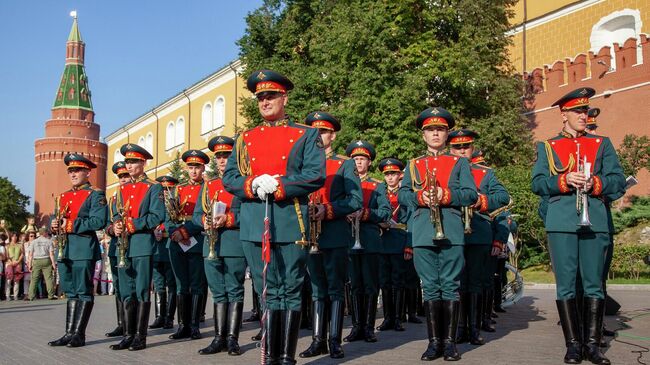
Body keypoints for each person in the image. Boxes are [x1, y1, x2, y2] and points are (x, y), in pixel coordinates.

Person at [223, 69, 325, 365]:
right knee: (266, 289)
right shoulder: (245, 138)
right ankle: (270, 357)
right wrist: (250, 184)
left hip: (291, 220)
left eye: (271, 96)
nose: (265, 101)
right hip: (255, 223)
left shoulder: (306, 135)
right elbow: (230, 176)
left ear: (284, 98)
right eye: (261, 97)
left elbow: (315, 174)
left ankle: (285, 357)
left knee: (290, 289)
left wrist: (282, 185)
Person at [532, 87, 625, 365]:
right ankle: (573, 345)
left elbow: (617, 182)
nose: (583, 115)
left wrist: (595, 184)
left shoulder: (602, 143)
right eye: (577, 111)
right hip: (561, 221)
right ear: (564, 114)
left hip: (594, 221)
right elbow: (537, 183)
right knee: (566, 286)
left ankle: (593, 346)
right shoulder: (547, 147)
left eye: (585, 110)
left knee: (594, 285)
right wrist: (563, 181)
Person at [399, 107, 477, 361]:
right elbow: (403, 195)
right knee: (430, 287)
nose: (435, 134)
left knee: (450, 286)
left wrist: (447, 195)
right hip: (422, 230)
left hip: (452, 229)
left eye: (440, 130)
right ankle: (434, 343)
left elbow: (471, 195)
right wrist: (421, 196)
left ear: (446, 134)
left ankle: (450, 343)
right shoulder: (413, 165)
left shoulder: (459, 163)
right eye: (431, 130)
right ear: (423, 135)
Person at [299, 112, 362, 359]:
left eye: (323, 131)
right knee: (316, 288)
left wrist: (329, 209)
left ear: (332, 135)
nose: (318, 136)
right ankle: (318, 340)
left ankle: (334, 340)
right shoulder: (302, 164)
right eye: (313, 131)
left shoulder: (344, 164)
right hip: (309, 235)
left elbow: (355, 199)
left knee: (335, 288)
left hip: (334, 232)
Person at [448, 129, 510, 345]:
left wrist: (481, 201)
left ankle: (473, 328)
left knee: (475, 283)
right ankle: (458, 328)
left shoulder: (485, 173)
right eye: (457, 147)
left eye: (466, 146)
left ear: (472, 148)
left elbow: (503, 197)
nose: (462, 150)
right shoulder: (444, 170)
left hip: (478, 232)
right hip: (451, 232)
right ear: (450, 149)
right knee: (455, 283)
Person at [48, 153, 108, 348]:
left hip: (83, 248)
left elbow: (98, 221)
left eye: (77, 170)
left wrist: (70, 225)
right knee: (70, 291)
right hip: (65, 249)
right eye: (71, 171)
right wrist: (54, 224)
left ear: (87, 172)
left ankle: (79, 334)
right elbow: (57, 219)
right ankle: (69, 332)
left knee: (83, 291)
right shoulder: (64, 196)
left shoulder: (95, 194)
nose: (73, 174)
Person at [194, 135, 247, 356]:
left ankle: (232, 339)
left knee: (234, 290)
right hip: (211, 244)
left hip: (233, 242)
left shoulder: (242, 182)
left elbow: (248, 214)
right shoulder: (209, 186)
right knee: (217, 291)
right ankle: (218, 338)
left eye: (226, 155)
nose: (222, 160)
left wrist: (229, 219)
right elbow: (197, 213)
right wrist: (203, 221)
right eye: (219, 156)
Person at [110, 144, 165, 351]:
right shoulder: (121, 189)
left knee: (141, 290)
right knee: (126, 290)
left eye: (134, 161)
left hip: (142, 244)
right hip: (124, 246)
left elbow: (157, 216)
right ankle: (127, 334)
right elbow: (116, 213)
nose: (129, 165)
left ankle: (140, 337)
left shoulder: (153, 187)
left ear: (143, 163)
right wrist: (116, 224)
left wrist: (133, 224)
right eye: (127, 162)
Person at [343, 140, 392, 344]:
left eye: (362, 159)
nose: (358, 162)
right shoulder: (344, 184)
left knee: (370, 284)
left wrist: (366, 213)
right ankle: (356, 326)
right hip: (349, 239)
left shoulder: (377, 185)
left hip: (370, 239)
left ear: (369, 162)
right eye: (355, 159)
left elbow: (386, 212)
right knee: (355, 284)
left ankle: (369, 327)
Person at [166, 149, 210, 341]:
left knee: (197, 284)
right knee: (181, 285)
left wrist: (185, 232)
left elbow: (204, 216)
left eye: (197, 167)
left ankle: (194, 325)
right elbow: (167, 215)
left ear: (203, 168)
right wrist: (173, 232)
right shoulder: (177, 189)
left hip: (196, 240)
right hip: (176, 241)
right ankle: (182, 325)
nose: (193, 171)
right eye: (191, 167)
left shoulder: (207, 188)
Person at [376, 158, 410, 333]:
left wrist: (409, 246)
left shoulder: (405, 194)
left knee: (398, 281)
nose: (390, 178)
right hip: (382, 241)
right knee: (384, 281)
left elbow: (411, 220)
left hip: (399, 239)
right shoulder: (380, 192)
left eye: (393, 174)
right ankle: (388, 317)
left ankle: (398, 317)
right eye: (387, 174)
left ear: (400, 175)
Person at [104, 161, 132, 338]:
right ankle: (121, 323)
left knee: (129, 286)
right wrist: (112, 229)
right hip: (115, 247)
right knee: (119, 287)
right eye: (120, 176)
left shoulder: (136, 195)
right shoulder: (113, 199)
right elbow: (107, 223)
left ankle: (131, 325)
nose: (123, 179)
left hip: (131, 245)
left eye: (125, 176)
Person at [151, 176, 179, 330]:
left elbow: (175, 221)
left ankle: (169, 317)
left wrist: (162, 229)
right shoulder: (154, 203)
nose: (165, 193)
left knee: (171, 283)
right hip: (156, 247)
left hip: (169, 244)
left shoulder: (173, 204)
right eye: (162, 190)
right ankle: (159, 316)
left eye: (168, 189)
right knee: (158, 283)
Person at [27, 227, 57, 300]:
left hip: (37, 260)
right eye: (46, 232)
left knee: (34, 279)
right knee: (48, 278)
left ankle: (30, 296)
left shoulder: (33, 242)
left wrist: (29, 264)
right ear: (45, 233)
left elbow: (30, 254)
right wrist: (53, 264)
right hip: (46, 260)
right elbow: (51, 254)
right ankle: (51, 295)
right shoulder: (49, 241)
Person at [4, 232, 24, 300]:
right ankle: (7, 295)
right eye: (13, 236)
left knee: (16, 280)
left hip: (18, 263)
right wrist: (11, 262)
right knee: (8, 279)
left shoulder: (20, 245)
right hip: (9, 263)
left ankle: (15, 295)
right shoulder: (7, 245)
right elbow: (6, 255)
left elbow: (22, 254)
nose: (14, 237)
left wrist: (18, 261)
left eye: (16, 236)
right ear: (11, 237)